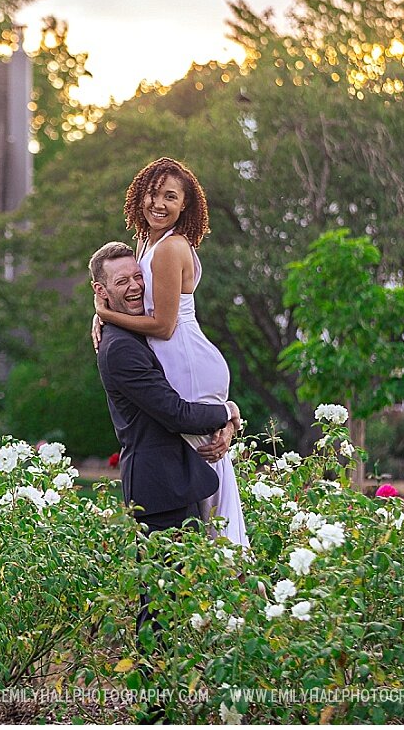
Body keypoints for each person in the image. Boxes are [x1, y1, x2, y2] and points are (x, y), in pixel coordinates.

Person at [92, 157, 251, 548]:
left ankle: (235, 570)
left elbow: (163, 325)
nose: (158, 203)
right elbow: (126, 292)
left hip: (184, 356)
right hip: (175, 354)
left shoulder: (169, 247)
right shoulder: (145, 242)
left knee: (213, 475)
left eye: (170, 197)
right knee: (211, 470)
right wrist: (101, 314)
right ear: (139, 195)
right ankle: (229, 574)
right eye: (153, 193)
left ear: (185, 206)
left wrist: (104, 313)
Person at [88, 240, 242, 639]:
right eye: (122, 281)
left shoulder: (138, 333)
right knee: (159, 606)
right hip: (157, 489)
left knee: (178, 600)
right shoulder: (121, 348)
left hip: (178, 479)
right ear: (101, 291)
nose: (136, 286)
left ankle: (171, 693)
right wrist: (227, 411)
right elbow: (173, 412)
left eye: (139, 276)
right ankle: (156, 700)